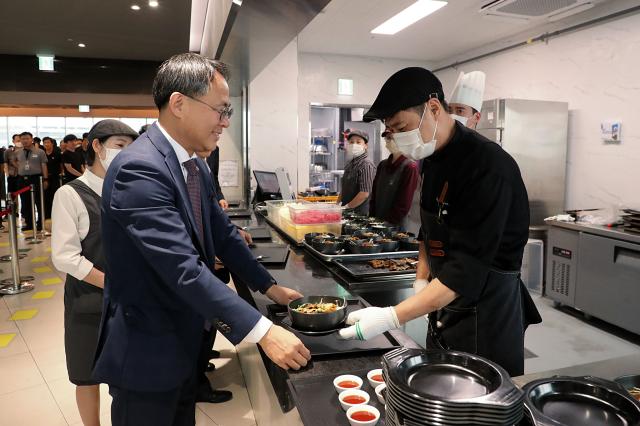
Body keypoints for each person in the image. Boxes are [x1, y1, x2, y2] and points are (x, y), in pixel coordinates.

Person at [93, 53, 310, 426]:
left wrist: (269, 287)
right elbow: (183, 269)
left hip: (183, 342)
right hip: (148, 348)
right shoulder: (139, 168)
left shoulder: (193, 163)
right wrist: (263, 331)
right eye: (220, 111)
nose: (225, 122)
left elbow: (222, 234)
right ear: (179, 104)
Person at [339, 67, 541, 377]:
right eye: (390, 130)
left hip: (486, 308)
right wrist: (421, 280)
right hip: (445, 296)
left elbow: (466, 271)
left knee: (478, 395)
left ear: (433, 108)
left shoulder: (488, 166)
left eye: (401, 126)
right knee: (440, 384)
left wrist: (393, 315)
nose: (396, 137)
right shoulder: (432, 157)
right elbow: (428, 227)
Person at [52, 119, 137, 426]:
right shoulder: (70, 195)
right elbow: (65, 256)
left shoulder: (128, 191)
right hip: (87, 302)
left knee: (126, 375)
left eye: (131, 147)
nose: (126, 153)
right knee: (86, 376)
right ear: (97, 146)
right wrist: (111, 282)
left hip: (127, 303)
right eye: (120, 146)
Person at [369, 138, 419, 228]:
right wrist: (372, 219)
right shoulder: (382, 165)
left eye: (392, 137)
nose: (388, 140)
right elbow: (374, 194)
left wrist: (387, 224)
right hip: (376, 222)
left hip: (396, 226)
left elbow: (404, 203)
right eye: (387, 138)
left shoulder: (410, 167)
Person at [14, 131, 49, 231]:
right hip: (22, 179)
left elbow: (44, 165)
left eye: (27, 138)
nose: (25, 141)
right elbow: (15, 162)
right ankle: (29, 223)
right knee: (25, 202)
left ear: (32, 139)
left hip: (36, 178)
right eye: (23, 139)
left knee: (38, 201)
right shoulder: (17, 152)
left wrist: (46, 179)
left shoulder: (40, 152)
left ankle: (40, 224)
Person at [336, 129, 376, 216]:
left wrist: (346, 207)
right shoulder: (350, 164)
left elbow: (364, 193)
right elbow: (344, 189)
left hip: (359, 215)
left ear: (365, 146)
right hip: (347, 213)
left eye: (358, 142)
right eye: (351, 142)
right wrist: (337, 206)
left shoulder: (366, 165)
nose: (354, 145)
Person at [43, 137, 63, 218]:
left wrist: (61, 172)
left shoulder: (57, 153)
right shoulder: (42, 154)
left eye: (48, 142)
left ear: (52, 143)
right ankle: (47, 215)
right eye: (45, 143)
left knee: (55, 195)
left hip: (55, 177)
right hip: (45, 178)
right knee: (46, 196)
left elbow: (61, 165)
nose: (46, 144)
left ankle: (56, 214)